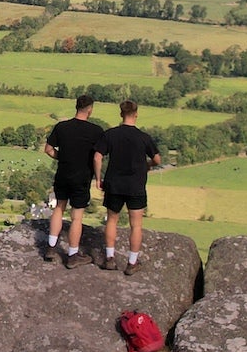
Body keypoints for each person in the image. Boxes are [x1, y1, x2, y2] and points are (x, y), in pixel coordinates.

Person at [41, 95, 108, 268]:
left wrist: (62, 157)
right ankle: (72, 256)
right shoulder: (96, 131)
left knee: (59, 208)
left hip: (63, 173)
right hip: (82, 177)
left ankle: (50, 248)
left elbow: (48, 149)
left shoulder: (62, 127)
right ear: (90, 109)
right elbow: (97, 157)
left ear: (76, 107)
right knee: (76, 217)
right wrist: (98, 177)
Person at [100, 100, 161, 274]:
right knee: (136, 225)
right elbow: (157, 160)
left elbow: (98, 155)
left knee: (112, 220)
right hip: (136, 186)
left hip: (114, 184)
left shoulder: (111, 134)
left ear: (121, 114)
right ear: (136, 114)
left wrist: (98, 178)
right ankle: (131, 263)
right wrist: (148, 165)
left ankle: (110, 259)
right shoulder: (143, 137)